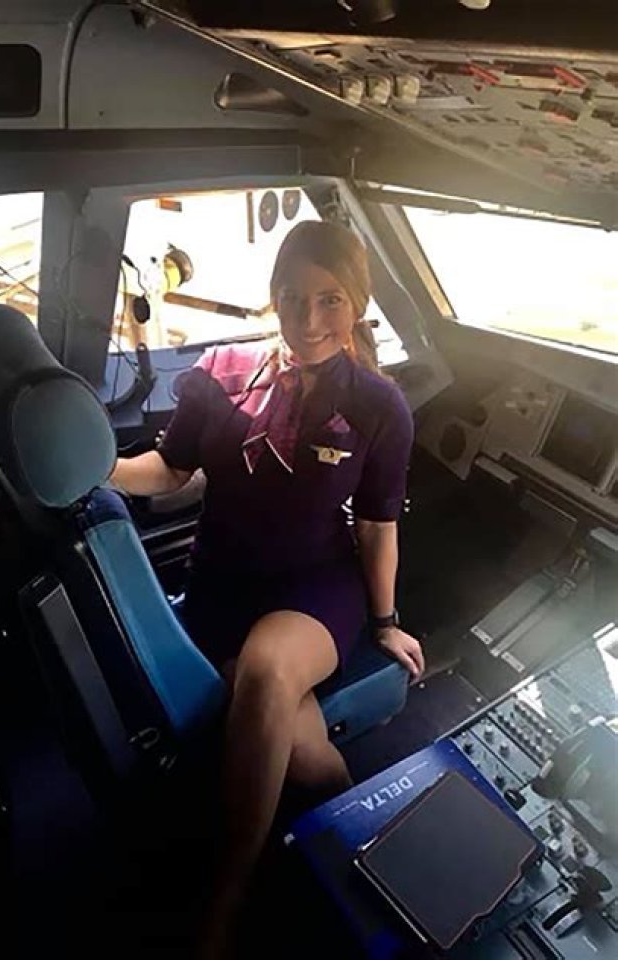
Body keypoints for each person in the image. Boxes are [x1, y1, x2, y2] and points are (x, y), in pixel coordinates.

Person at [111, 220, 423, 957]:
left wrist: (385, 620)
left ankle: (228, 891)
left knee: (267, 670)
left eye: (330, 300)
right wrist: (97, 466)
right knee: (301, 750)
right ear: (273, 297)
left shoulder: (380, 406)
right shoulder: (220, 371)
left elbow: (377, 526)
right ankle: (346, 812)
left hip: (315, 587)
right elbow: (170, 469)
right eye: (292, 298)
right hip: (222, 584)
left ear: (357, 304)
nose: (309, 320)